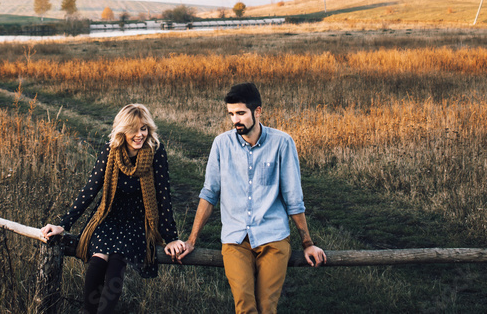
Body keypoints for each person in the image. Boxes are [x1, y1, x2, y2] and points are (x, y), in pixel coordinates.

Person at [166, 82, 326, 314]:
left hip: (273, 237)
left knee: (266, 308)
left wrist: (308, 244)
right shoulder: (221, 144)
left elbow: (293, 198)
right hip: (235, 239)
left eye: (240, 113)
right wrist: (192, 240)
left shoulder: (282, 143)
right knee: (245, 306)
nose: (235, 120)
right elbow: (209, 194)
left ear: (257, 111)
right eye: (231, 114)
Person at [41, 103, 183, 314]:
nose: (139, 135)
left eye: (143, 128)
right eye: (133, 129)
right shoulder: (111, 150)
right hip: (108, 216)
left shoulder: (156, 152)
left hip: (137, 221)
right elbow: (90, 189)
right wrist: (63, 224)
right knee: (99, 261)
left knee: (117, 263)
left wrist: (171, 237)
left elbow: (163, 197)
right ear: (122, 131)